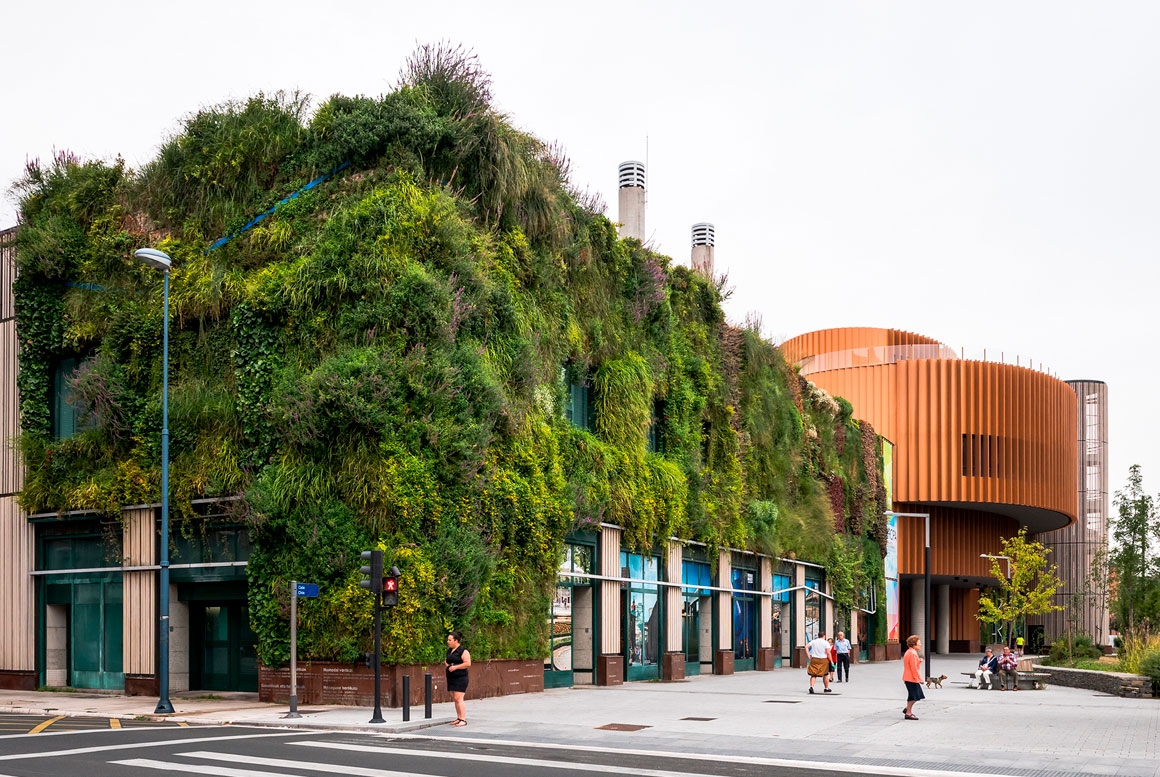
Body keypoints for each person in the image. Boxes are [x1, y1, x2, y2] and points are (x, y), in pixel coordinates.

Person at [445, 631, 472, 725]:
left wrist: (455, 667)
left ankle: (463, 719)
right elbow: (447, 660)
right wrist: (448, 666)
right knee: (455, 699)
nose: (448, 641)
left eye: (450, 640)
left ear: (456, 640)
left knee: (459, 698)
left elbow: (468, 663)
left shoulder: (463, 651)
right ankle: (459, 717)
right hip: (451, 677)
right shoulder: (450, 650)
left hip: (461, 677)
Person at [902, 634, 924, 720]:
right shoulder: (913, 653)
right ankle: (908, 712)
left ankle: (907, 710)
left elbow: (912, 664)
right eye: (919, 643)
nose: (920, 644)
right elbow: (913, 668)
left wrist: (919, 661)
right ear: (914, 644)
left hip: (908, 677)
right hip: (911, 678)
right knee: (915, 696)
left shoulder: (909, 652)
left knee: (913, 696)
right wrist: (919, 679)